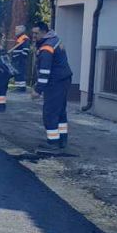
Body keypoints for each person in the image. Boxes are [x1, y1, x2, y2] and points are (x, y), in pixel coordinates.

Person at [30, 21, 74, 151]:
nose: (33, 36)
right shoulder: (55, 39)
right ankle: (62, 140)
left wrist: (38, 90)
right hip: (64, 79)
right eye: (32, 33)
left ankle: (52, 142)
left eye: (36, 33)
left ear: (44, 33)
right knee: (60, 111)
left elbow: (45, 72)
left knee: (50, 112)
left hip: (56, 82)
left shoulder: (47, 48)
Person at [9, 25, 31, 91]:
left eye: (17, 30)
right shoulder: (20, 38)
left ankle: (21, 88)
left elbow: (26, 49)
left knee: (20, 73)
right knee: (17, 73)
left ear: (21, 30)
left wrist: (22, 58)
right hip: (17, 58)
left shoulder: (24, 38)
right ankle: (19, 87)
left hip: (20, 59)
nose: (15, 31)